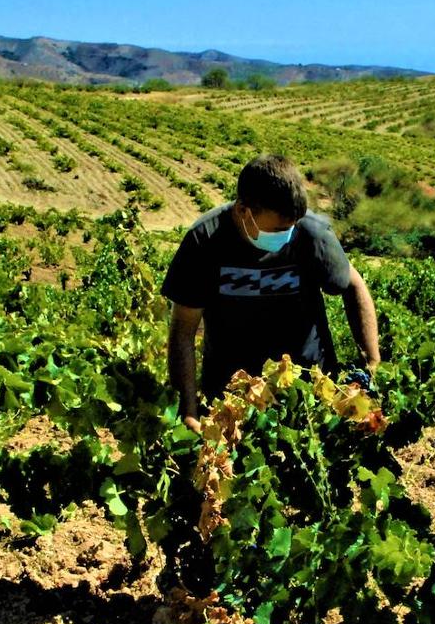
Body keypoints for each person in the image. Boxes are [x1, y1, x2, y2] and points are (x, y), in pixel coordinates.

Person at [163, 154, 380, 431]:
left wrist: (372, 362)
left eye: (292, 227)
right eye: (279, 229)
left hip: (309, 389)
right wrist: (189, 409)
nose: (287, 235)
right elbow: (183, 328)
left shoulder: (313, 234)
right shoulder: (205, 241)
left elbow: (353, 285)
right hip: (232, 393)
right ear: (244, 210)